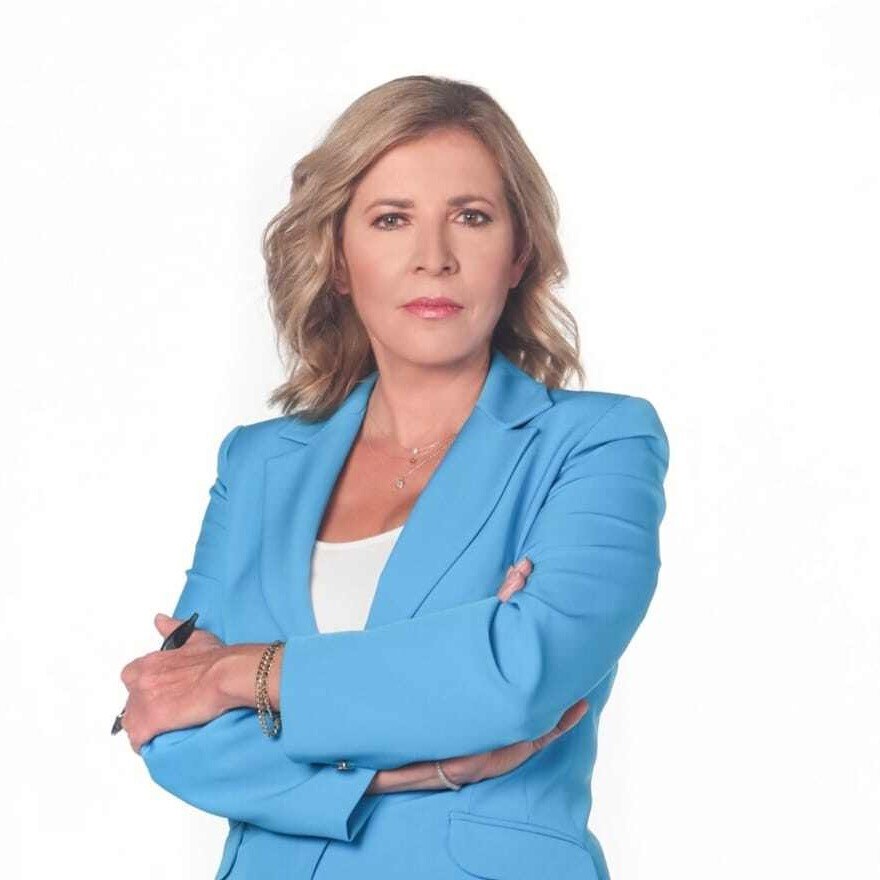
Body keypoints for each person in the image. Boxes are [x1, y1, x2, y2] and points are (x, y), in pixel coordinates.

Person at [119, 74, 670, 880]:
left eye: (471, 217)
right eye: (390, 219)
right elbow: (170, 726)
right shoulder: (258, 464)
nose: (433, 259)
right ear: (339, 259)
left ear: (519, 252)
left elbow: (515, 678)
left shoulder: (598, 444)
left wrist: (240, 673)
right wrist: (405, 767)